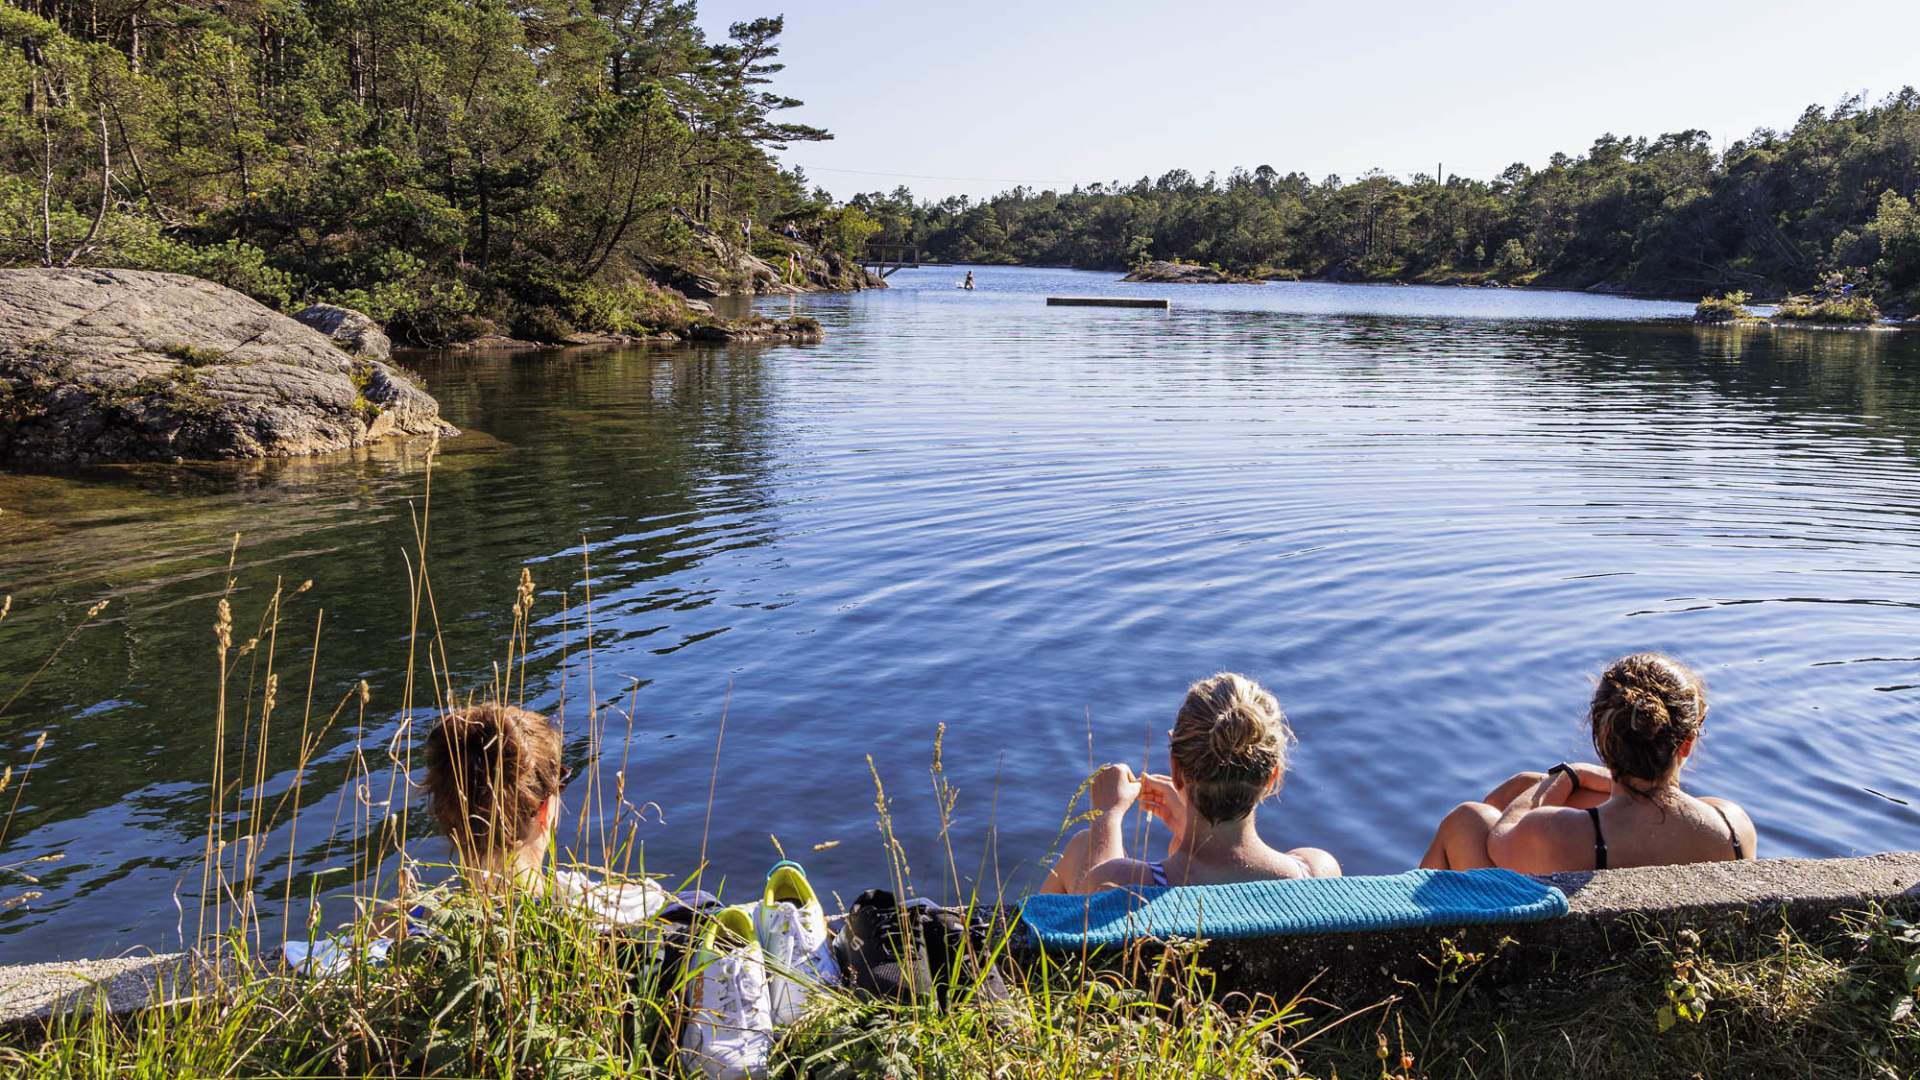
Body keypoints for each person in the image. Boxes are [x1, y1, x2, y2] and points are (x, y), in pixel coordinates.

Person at [1420, 653, 1757, 874]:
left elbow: (1500, 837)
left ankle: (1397, 935)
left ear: (1602, 737)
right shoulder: (1733, 826)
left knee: (1468, 820)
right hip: (1669, 957)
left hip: (1567, 961)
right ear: (1687, 743)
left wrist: (1566, 775)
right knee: (1554, 794)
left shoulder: (1555, 832)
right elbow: (1652, 814)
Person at [1041, 672, 1339, 894]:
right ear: (1272, 776)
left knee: (1085, 844)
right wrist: (1188, 829)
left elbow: (1090, 911)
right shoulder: (1317, 872)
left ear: (1176, 770)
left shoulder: (1123, 884)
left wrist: (1106, 816)